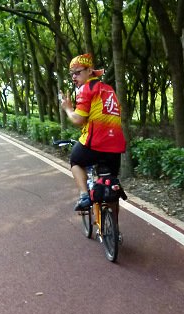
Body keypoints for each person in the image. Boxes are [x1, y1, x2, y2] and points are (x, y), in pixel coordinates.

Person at [61, 53, 126, 211]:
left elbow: (78, 119)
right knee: (111, 187)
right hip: (116, 146)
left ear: (89, 70)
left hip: (95, 143)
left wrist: (68, 108)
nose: (74, 77)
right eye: (72, 74)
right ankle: (114, 233)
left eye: (77, 72)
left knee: (75, 161)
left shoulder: (86, 89)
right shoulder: (109, 90)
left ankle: (84, 195)